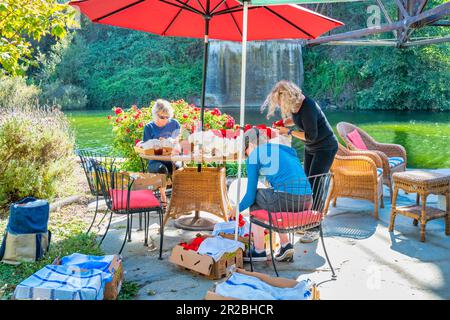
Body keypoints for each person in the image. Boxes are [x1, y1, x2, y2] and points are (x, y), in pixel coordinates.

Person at [262, 80, 338, 243]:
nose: (281, 105)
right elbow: (297, 119)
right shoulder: (297, 105)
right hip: (311, 148)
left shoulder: (307, 106)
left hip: (325, 148)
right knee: (306, 185)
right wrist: (283, 123)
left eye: (281, 101)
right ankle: (306, 221)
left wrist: (288, 132)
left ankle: (315, 228)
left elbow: (311, 135)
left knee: (316, 186)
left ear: (288, 96)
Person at [230, 128, 312, 262]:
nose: (247, 156)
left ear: (250, 145)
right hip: (308, 200)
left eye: (246, 152)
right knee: (269, 196)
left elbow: (250, 196)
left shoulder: (254, 155)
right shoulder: (285, 149)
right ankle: (285, 244)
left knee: (256, 196)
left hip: (288, 199)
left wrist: (237, 209)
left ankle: (259, 251)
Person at [142, 99, 180, 204]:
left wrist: (173, 142)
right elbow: (146, 149)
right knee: (161, 169)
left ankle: (177, 198)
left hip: (171, 158)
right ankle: (163, 198)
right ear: (155, 115)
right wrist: (157, 144)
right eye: (162, 117)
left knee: (179, 168)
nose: (165, 120)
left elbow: (178, 143)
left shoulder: (174, 124)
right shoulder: (149, 127)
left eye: (167, 117)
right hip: (155, 160)